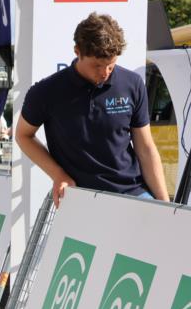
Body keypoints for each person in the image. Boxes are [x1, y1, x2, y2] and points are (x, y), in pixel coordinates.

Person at [15, 12, 169, 207]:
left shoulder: (133, 84)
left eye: (111, 65)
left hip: (133, 193)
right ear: (77, 51)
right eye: (97, 65)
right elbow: (23, 135)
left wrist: (165, 205)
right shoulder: (46, 92)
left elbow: (145, 148)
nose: (105, 73)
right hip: (81, 199)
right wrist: (58, 174)